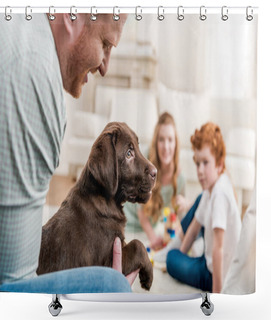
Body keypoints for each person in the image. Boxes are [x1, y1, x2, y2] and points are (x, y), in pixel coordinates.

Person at [0, 12, 137, 293]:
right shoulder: (35, 73)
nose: (105, 67)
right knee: (112, 285)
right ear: (71, 18)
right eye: (106, 45)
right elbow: (14, 285)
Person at [164, 122, 242, 293]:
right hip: (206, 262)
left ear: (220, 164)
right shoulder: (211, 189)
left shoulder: (220, 193)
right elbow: (193, 229)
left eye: (205, 163)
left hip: (214, 274)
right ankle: (179, 254)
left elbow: (218, 249)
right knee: (176, 256)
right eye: (197, 163)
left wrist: (217, 295)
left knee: (171, 258)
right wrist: (182, 257)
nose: (200, 170)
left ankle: (174, 254)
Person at [124, 112, 190, 250]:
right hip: (128, 219)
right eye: (161, 139)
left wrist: (185, 205)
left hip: (150, 225)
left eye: (170, 140)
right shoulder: (146, 162)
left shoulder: (180, 178)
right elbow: (141, 212)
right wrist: (153, 238)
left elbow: (181, 216)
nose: (166, 147)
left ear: (176, 143)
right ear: (156, 142)